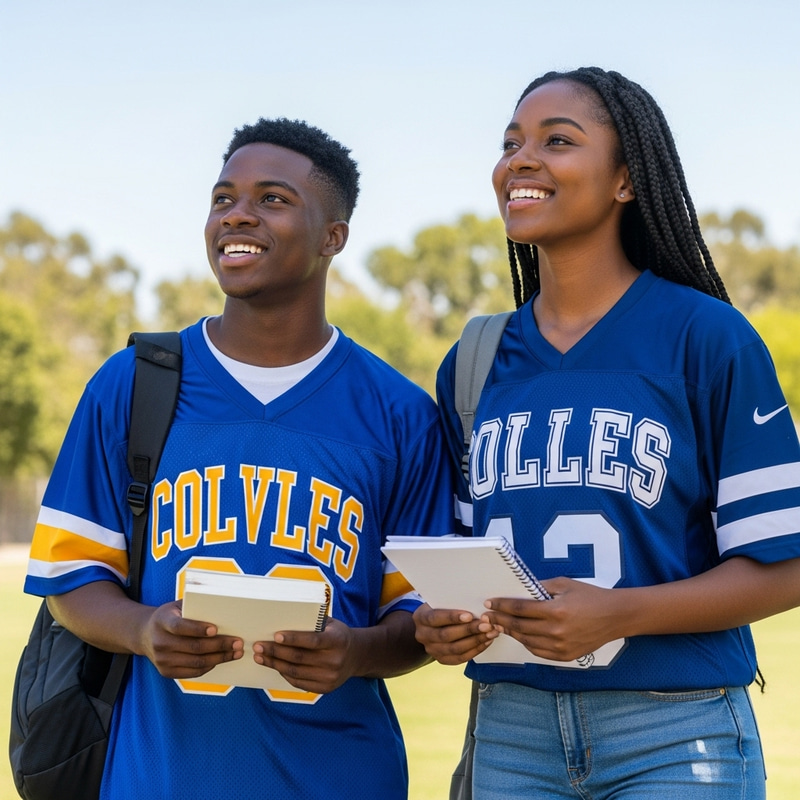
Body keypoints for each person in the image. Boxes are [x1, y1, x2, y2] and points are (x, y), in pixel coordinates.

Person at [24, 117, 454, 799]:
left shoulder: (400, 413)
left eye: (273, 200)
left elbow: (418, 624)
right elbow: (69, 581)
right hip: (156, 777)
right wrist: (142, 630)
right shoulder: (134, 383)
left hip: (342, 777)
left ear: (332, 236)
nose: (238, 217)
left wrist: (353, 653)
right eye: (224, 198)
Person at [413, 67, 800, 799]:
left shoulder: (707, 338)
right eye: (509, 143)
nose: (520, 160)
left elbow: (787, 564)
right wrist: (444, 626)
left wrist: (620, 613)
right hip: (510, 727)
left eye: (557, 140)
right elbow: (462, 563)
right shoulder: (473, 359)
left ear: (626, 179)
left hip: (672, 728)